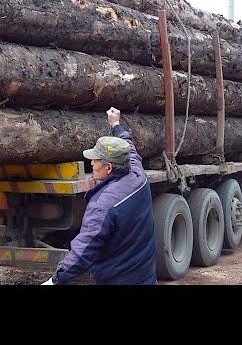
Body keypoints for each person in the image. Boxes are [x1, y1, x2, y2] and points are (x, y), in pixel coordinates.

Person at [42, 107, 157, 285]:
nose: (92, 163)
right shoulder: (137, 175)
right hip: (145, 278)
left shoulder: (103, 205)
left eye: (96, 160)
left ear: (109, 167)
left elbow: (84, 250)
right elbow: (130, 148)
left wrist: (56, 280)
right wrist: (116, 125)